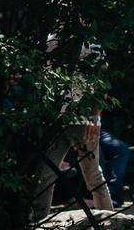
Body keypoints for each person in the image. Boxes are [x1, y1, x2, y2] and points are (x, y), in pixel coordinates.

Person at [30, 41, 114, 219]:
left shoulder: (93, 43)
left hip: (83, 118)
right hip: (54, 119)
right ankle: (38, 224)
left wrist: (95, 117)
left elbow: (103, 80)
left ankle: (110, 222)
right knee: (45, 174)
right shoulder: (49, 39)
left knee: (92, 174)